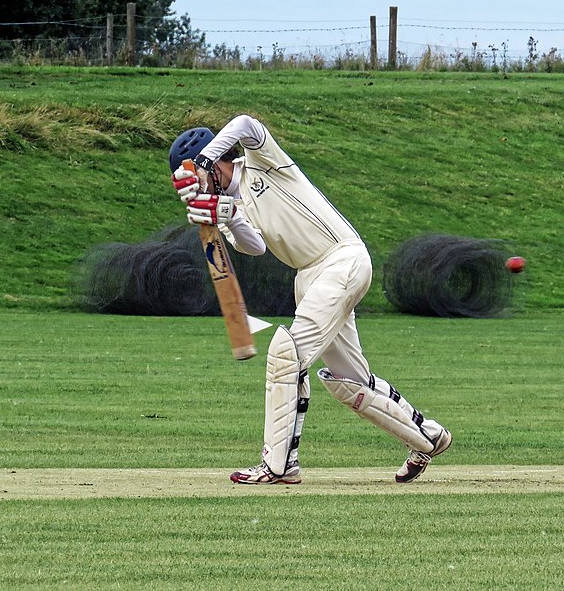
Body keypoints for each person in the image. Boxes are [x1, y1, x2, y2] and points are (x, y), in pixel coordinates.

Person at [169, 114, 452, 484]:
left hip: (342, 259)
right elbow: (254, 247)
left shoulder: (261, 160)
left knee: (286, 353)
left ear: (217, 159)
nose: (199, 186)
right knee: (350, 382)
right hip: (309, 277)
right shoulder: (227, 204)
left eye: (199, 176)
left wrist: (204, 161)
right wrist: (228, 215)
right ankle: (428, 437)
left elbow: (245, 123)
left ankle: (279, 464)